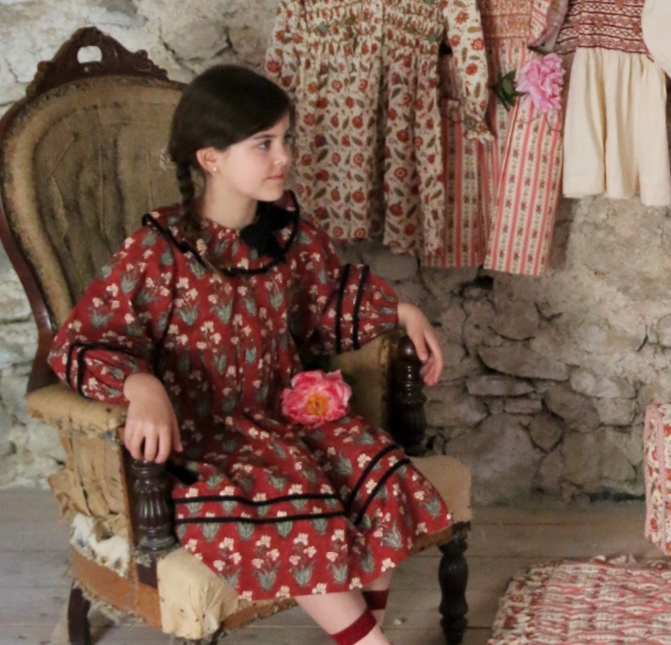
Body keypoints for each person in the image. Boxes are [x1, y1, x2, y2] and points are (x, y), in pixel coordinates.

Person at [48, 65, 451, 645]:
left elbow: (325, 302)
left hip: (283, 421)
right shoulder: (159, 250)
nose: (283, 157)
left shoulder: (287, 234)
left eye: (286, 139)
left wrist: (400, 311)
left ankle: (367, 636)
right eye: (263, 143)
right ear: (211, 158)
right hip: (206, 443)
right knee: (294, 507)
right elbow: (84, 341)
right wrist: (141, 385)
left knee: (378, 474)